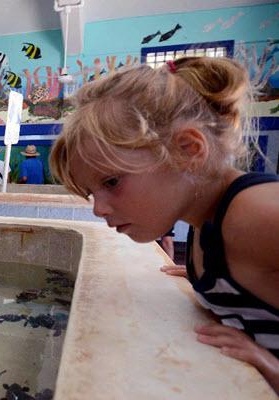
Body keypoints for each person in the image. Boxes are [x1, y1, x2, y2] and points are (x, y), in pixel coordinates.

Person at [49, 57, 278, 391]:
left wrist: (269, 365)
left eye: (111, 182)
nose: (97, 209)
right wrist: (213, 275)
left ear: (187, 150)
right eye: (90, 193)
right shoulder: (208, 227)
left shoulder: (255, 216)